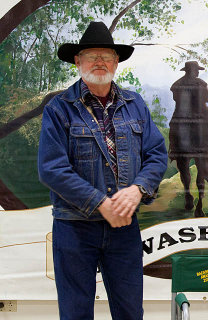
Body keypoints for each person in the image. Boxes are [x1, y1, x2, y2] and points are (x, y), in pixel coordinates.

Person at [38, 21, 168, 320]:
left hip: (124, 228)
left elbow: (157, 155)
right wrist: (100, 203)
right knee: (75, 313)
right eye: (92, 55)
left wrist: (138, 189)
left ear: (116, 61)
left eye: (106, 56)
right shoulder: (58, 109)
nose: (99, 62)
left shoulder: (136, 105)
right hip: (74, 228)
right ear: (77, 61)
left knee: (130, 312)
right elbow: (51, 168)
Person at [169, 61, 208, 216]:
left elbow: (175, 99)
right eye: (197, 70)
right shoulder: (201, 83)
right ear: (193, 70)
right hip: (199, 115)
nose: (198, 72)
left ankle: (174, 150)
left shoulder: (176, 85)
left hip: (181, 117)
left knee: (173, 126)